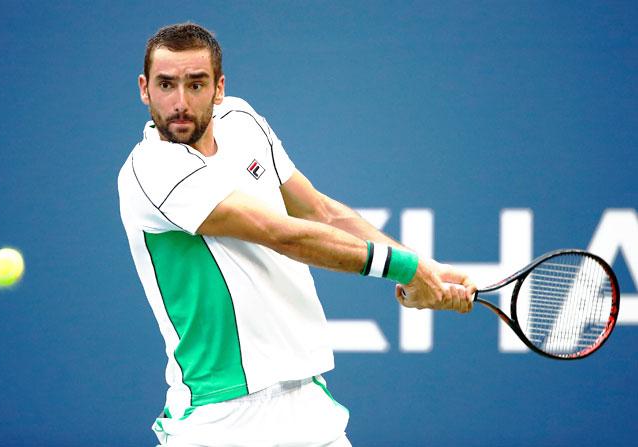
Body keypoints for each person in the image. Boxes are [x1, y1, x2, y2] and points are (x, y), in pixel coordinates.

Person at [118, 22, 476, 447]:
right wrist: (406, 268)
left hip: (307, 403)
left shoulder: (242, 120)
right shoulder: (151, 170)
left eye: (196, 85)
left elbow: (319, 210)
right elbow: (282, 234)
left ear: (219, 88)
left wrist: (423, 268)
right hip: (219, 421)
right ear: (144, 89)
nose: (180, 102)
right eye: (166, 85)